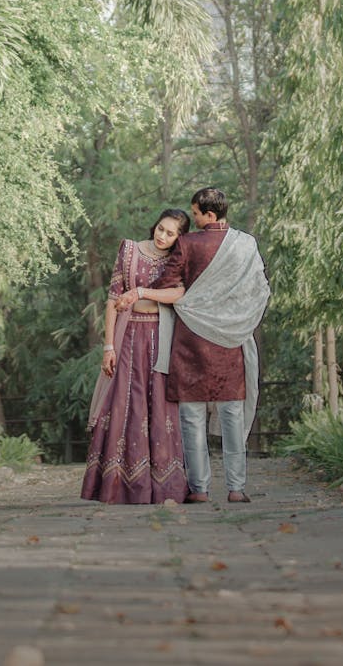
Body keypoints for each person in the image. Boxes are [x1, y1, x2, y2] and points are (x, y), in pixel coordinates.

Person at [114, 187, 270, 505]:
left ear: (208, 215)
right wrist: (238, 319)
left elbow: (168, 283)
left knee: (192, 418)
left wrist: (141, 291)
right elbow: (259, 288)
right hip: (230, 341)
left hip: (192, 342)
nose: (193, 218)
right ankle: (236, 488)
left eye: (196, 213)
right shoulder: (246, 244)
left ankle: (199, 489)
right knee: (232, 415)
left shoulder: (188, 243)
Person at [80, 209, 191, 504]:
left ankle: (164, 487)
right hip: (128, 336)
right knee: (124, 404)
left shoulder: (177, 260)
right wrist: (108, 346)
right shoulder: (129, 250)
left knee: (160, 408)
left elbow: (180, 294)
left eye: (170, 234)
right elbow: (113, 299)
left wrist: (143, 292)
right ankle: (117, 484)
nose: (163, 236)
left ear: (179, 238)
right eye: (161, 229)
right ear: (155, 225)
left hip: (161, 338)